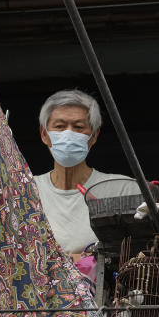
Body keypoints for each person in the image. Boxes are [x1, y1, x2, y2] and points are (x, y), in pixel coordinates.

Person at [33, 89, 139, 254]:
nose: (68, 134)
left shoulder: (122, 189)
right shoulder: (25, 191)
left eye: (78, 127)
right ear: (44, 134)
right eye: (59, 126)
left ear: (94, 136)